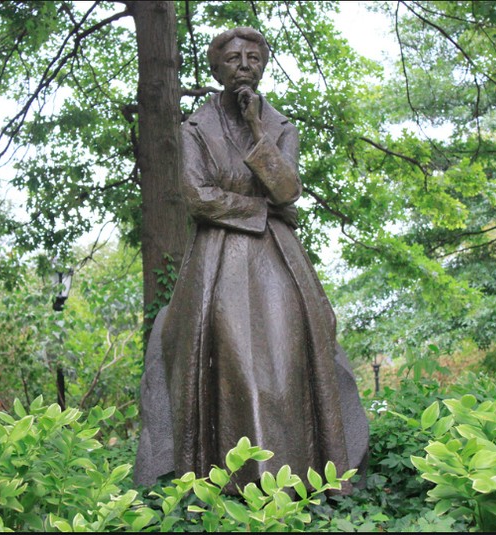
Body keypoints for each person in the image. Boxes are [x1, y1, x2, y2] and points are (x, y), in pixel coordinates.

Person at [134, 27, 368, 493]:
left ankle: (301, 480)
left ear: (263, 66)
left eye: (255, 57)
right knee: (234, 363)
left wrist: (259, 133)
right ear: (216, 68)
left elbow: (287, 189)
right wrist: (263, 210)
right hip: (219, 259)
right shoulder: (193, 130)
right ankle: (231, 482)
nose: (245, 64)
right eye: (234, 57)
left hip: (278, 259)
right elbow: (199, 197)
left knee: (289, 360)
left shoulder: (281, 128)